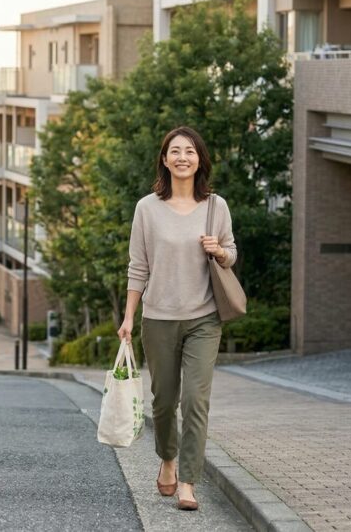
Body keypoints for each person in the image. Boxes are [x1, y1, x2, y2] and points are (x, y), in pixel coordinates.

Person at [117, 126, 237, 511]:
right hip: (159, 317)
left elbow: (231, 254)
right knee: (164, 402)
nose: (183, 157)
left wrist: (220, 251)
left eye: (190, 151)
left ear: (199, 159)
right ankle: (167, 460)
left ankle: (187, 481)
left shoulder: (216, 206)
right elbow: (138, 267)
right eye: (175, 151)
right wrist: (128, 318)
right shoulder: (146, 208)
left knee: (195, 400)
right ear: (165, 159)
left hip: (204, 318)